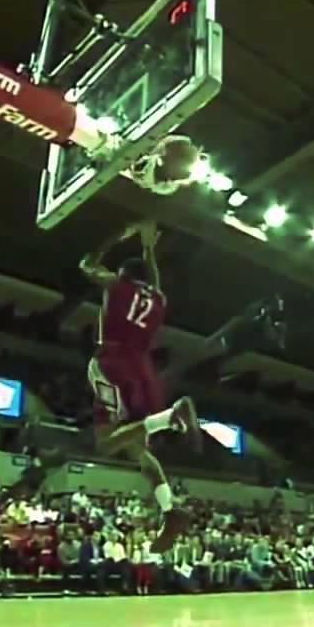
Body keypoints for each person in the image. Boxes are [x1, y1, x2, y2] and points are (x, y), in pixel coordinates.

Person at [80, 219, 200, 553]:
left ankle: (171, 417)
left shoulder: (116, 287)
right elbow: (155, 280)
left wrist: (119, 234)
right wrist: (149, 249)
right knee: (137, 447)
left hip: (113, 361)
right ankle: (170, 510)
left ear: (122, 275)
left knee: (104, 443)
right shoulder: (158, 299)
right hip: (143, 370)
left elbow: (87, 262)